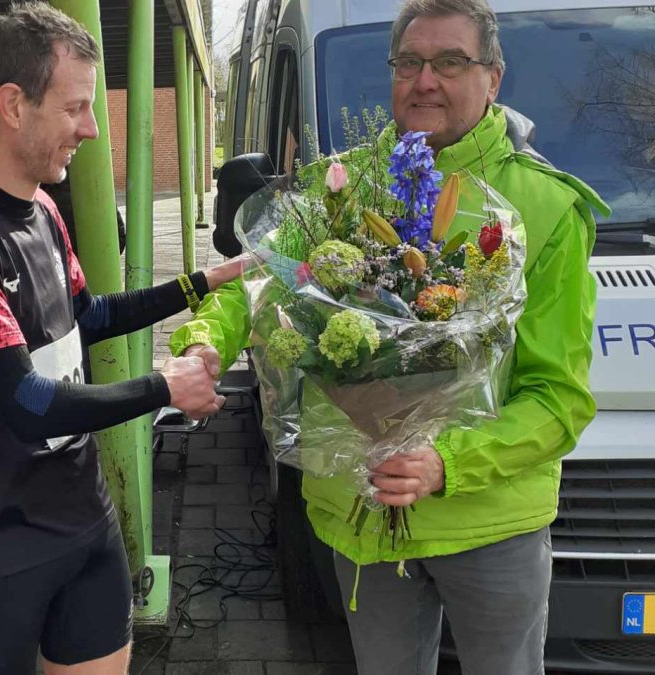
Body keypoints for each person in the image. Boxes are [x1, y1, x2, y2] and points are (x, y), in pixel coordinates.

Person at [170, 1, 610, 673]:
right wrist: (203, 345)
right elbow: (253, 280)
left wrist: (446, 463)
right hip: (363, 515)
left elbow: (558, 400)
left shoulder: (547, 208)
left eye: (450, 61)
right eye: (409, 61)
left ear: (493, 77)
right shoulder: (341, 187)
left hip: (487, 525)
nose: (424, 79)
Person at [0, 3, 243, 672]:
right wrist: (165, 388)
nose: (89, 129)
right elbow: (24, 399)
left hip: (86, 523)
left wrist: (203, 281)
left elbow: (90, 317)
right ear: (13, 105)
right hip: (1, 546)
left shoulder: (47, 207)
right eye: (76, 108)